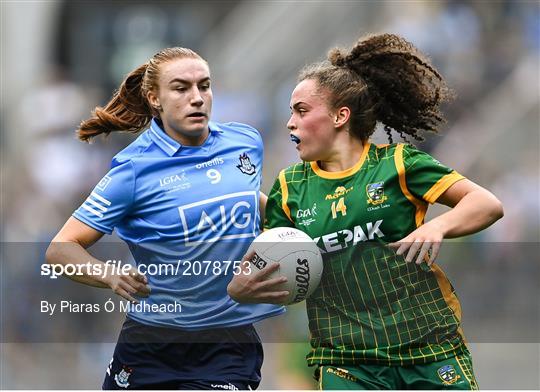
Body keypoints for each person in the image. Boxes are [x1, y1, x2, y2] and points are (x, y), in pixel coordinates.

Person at [228, 33, 504, 390]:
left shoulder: (399, 164)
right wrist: (242, 288)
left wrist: (437, 227)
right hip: (347, 363)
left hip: (428, 350)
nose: (290, 124)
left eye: (301, 110)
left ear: (340, 116)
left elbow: (486, 204)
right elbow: (277, 260)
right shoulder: (289, 186)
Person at [45, 47, 286, 390]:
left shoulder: (244, 141)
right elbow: (60, 249)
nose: (197, 98)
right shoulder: (133, 171)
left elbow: (247, 198)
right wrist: (110, 276)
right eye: (181, 88)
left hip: (228, 344)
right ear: (154, 98)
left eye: (204, 86)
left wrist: (292, 228)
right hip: (150, 345)